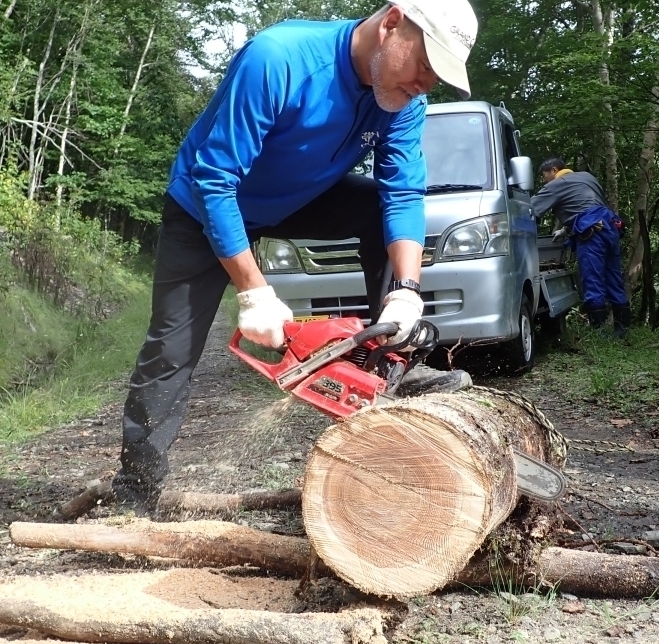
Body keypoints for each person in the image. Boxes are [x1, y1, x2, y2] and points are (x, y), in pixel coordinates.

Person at [112, 0, 479, 513]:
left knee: (375, 208)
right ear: (393, 23)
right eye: (424, 65)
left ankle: (387, 363)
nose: (425, 84)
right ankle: (134, 493)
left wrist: (406, 292)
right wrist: (254, 292)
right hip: (205, 205)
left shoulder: (402, 101)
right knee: (171, 350)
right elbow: (215, 179)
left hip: (296, 199)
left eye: (437, 77)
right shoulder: (279, 58)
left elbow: (402, 194)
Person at [531, 158, 630, 338]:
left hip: (592, 233)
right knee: (613, 276)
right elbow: (585, 205)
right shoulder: (587, 177)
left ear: (554, 170)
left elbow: (530, 209)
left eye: (545, 176)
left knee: (592, 279)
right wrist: (566, 230)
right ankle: (622, 330)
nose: (545, 181)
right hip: (610, 227)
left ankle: (599, 332)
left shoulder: (556, 184)